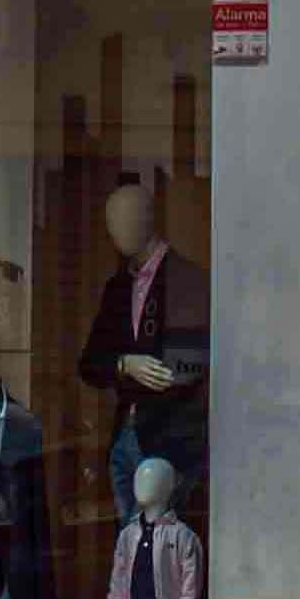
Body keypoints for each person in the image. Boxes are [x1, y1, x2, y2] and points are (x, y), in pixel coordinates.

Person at [77, 175, 207, 506]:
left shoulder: (187, 279)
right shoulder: (118, 288)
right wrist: (124, 364)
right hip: (125, 437)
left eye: (122, 219)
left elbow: (194, 365)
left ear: (148, 218)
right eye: (111, 223)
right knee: (130, 547)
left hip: (170, 443)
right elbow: (90, 364)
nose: (115, 231)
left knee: (160, 547)